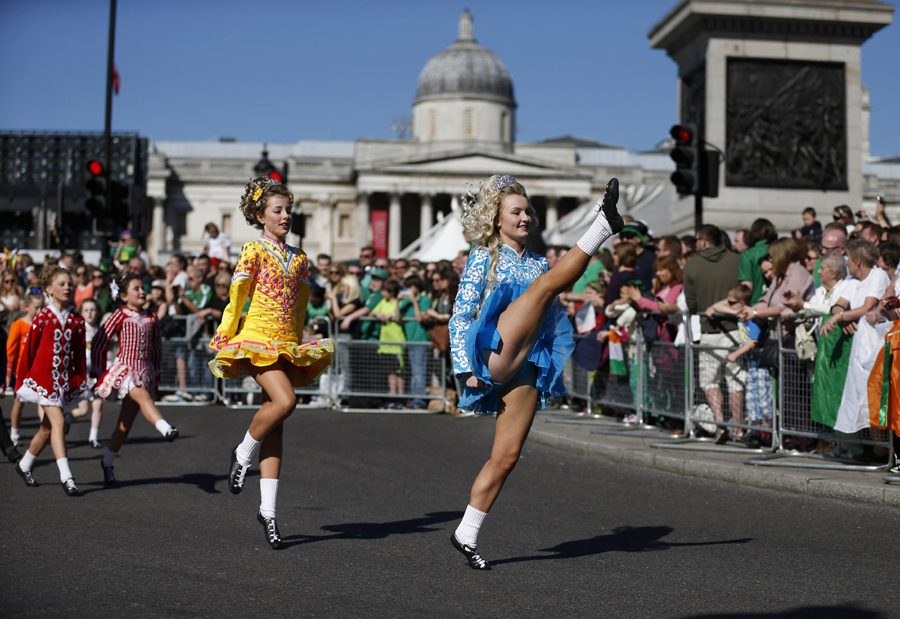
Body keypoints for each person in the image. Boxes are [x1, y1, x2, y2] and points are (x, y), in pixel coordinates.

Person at [448, 174, 622, 569]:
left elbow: (552, 316)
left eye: (528, 210)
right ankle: (601, 225)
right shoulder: (483, 256)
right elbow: (460, 315)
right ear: (496, 219)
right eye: (516, 211)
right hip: (493, 352)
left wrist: (567, 351)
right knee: (544, 288)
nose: (525, 217)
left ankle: (466, 532)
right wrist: (464, 369)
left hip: (526, 361)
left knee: (506, 457)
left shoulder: (539, 262)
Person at [209, 177, 333, 549]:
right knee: (286, 402)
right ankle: (242, 451)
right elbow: (238, 296)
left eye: (288, 210)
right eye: (277, 210)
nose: (285, 216)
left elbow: (300, 305)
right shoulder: (253, 250)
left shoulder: (299, 257)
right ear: (260, 215)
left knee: (277, 422)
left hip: (284, 343)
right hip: (256, 340)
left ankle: (269, 512)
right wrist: (224, 334)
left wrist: (295, 342)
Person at [91, 275, 179, 485]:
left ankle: (107, 462)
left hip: (144, 371)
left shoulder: (152, 317)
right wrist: (99, 370)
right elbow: (100, 340)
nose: (142, 292)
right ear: (123, 296)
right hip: (125, 369)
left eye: (143, 288)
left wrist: (155, 373)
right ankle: (165, 428)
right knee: (140, 394)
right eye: (136, 288)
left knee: (124, 426)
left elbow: (157, 348)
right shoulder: (119, 315)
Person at [13, 267, 90, 495]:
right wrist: (21, 381)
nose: (67, 288)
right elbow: (29, 351)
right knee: (58, 422)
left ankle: (24, 465)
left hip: (63, 382)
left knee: (46, 430)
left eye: (69, 284)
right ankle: (67, 477)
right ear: (49, 289)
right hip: (43, 379)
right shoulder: (43, 316)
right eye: (62, 284)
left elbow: (78, 356)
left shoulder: (77, 320)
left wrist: (81, 380)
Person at [825, 240, 891, 438]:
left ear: (858, 260)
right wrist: (843, 317)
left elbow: (867, 307)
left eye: (849, 260)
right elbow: (838, 305)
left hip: (876, 343)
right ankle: (875, 450)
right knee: (861, 394)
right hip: (860, 346)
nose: (846, 264)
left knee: (876, 394)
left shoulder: (877, 276)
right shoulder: (853, 282)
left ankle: (885, 451)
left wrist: (841, 316)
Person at [685, 225, 741, 443]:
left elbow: (691, 304)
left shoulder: (691, 265)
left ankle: (719, 424)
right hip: (737, 329)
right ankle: (739, 428)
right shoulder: (737, 260)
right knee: (736, 381)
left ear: (703, 241)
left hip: (709, 329)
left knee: (710, 382)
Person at [65, 299, 105, 448]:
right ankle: (67, 419)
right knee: (83, 410)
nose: (90, 313)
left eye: (93, 310)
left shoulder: (100, 331)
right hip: (82, 374)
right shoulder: (78, 329)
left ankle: (93, 438)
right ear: (81, 312)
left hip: (96, 374)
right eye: (86, 310)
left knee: (98, 404)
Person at [6, 292, 44, 446]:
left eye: (42, 307)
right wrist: (8, 373)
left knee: (43, 401)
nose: (39, 311)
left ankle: (47, 430)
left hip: (38, 370)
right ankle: (14, 433)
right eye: (36, 308)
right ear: (27, 307)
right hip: (21, 371)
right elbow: (10, 350)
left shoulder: (42, 324)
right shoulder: (19, 325)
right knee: (19, 403)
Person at [398, 275, 431, 409]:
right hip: (408, 341)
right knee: (413, 372)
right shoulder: (405, 302)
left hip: (420, 341)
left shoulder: (425, 300)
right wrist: (397, 301)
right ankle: (413, 398)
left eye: (411, 286)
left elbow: (419, 318)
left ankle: (419, 400)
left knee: (419, 372)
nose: (409, 290)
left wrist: (414, 301)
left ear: (417, 287)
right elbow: (397, 319)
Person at [372, 279, 405, 408]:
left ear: (391, 292)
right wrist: (379, 314)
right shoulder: (383, 302)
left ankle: (401, 398)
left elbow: (398, 316)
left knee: (399, 373)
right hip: (385, 344)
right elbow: (373, 311)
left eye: (384, 290)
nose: (382, 292)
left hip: (397, 344)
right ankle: (393, 397)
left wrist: (391, 312)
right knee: (390, 373)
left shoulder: (400, 303)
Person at [739, 218, 778, 305]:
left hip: (754, 306)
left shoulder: (748, 254)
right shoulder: (778, 251)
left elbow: (746, 286)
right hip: (776, 306)